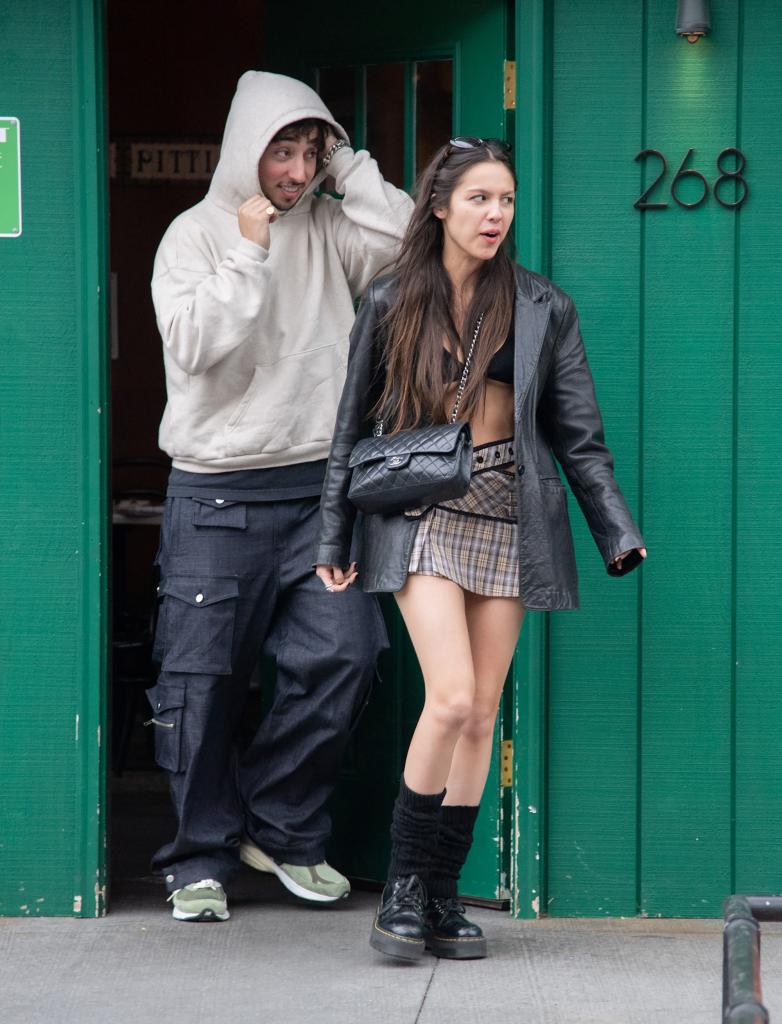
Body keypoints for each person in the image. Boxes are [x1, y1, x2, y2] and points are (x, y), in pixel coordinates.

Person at [314, 137, 646, 960]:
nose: (495, 214)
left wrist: (615, 529)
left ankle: (438, 895)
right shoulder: (391, 299)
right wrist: (332, 533)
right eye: (479, 200)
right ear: (439, 206)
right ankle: (398, 886)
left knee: (484, 711)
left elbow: (579, 436)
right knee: (453, 696)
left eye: (504, 200)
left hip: (509, 507)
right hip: (422, 510)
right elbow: (348, 430)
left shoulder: (542, 306)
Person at [148, 70, 413, 922]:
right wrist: (250, 252)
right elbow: (196, 348)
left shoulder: (331, 223)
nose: (295, 172)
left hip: (318, 493)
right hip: (215, 497)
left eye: (309, 152)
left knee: (348, 653)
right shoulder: (192, 237)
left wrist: (352, 168)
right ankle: (197, 858)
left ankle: (281, 823)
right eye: (282, 152)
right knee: (201, 683)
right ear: (244, 150)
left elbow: (409, 242)